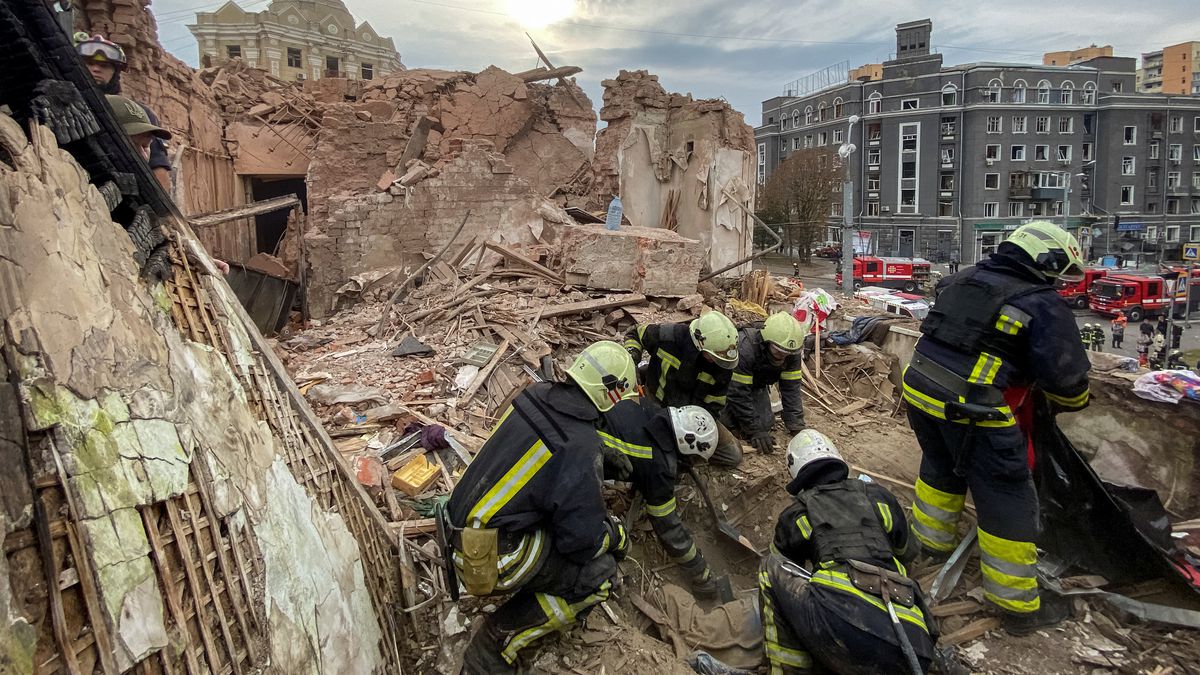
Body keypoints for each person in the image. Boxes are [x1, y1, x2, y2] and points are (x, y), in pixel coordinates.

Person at [902, 221, 1089, 634]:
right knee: (1006, 494)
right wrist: (1072, 402)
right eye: (1060, 271)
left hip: (919, 389)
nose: (1059, 281)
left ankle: (931, 545)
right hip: (972, 408)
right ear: (1048, 260)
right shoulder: (1041, 303)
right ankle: (1017, 606)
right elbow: (1068, 382)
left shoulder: (962, 279)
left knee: (942, 466)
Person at [446, 341, 636, 674]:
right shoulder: (579, 445)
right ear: (612, 394)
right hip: (494, 559)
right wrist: (614, 535)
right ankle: (498, 640)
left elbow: (546, 447)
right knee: (598, 573)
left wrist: (599, 454)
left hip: (459, 528)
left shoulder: (536, 394)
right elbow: (580, 543)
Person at [760, 430, 936, 675]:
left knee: (769, 568)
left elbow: (789, 567)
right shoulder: (880, 498)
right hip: (915, 643)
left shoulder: (797, 514)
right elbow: (906, 552)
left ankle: (790, 668)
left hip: (843, 628)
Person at [600, 400, 720, 599]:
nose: (692, 465)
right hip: (580, 457)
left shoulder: (653, 411)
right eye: (694, 460)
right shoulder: (659, 467)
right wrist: (700, 571)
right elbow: (668, 526)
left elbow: (637, 448)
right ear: (686, 443)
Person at [624, 311, 742, 466]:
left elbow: (714, 406)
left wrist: (696, 433)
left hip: (693, 417)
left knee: (732, 456)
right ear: (700, 343)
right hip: (656, 403)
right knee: (650, 449)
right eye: (713, 357)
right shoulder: (670, 336)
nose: (717, 362)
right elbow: (634, 333)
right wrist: (632, 360)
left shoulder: (722, 363)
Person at [77, 35, 172, 191]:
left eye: (105, 65)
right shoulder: (65, 106)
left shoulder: (137, 113)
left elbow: (158, 169)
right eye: (89, 63)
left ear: (116, 71)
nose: (96, 69)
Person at [722, 312, 806, 454]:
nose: (783, 357)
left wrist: (796, 426)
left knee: (766, 423)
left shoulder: (791, 352)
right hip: (727, 385)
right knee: (726, 422)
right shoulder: (745, 348)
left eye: (788, 354)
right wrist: (755, 430)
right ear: (766, 342)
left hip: (756, 385)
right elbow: (738, 393)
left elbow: (791, 389)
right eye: (779, 352)